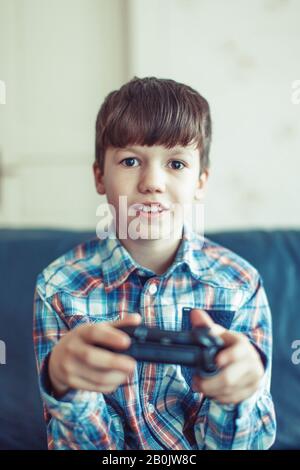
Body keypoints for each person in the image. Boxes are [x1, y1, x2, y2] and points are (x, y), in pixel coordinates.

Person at [33, 76, 276, 450]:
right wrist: (64, 383)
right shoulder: (58, 286)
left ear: (201, 182)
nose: (152, 182)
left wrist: (239, 394)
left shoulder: (240, 283)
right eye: (130, 160)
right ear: (100, 176)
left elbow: (247, 444)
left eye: (176, 163)